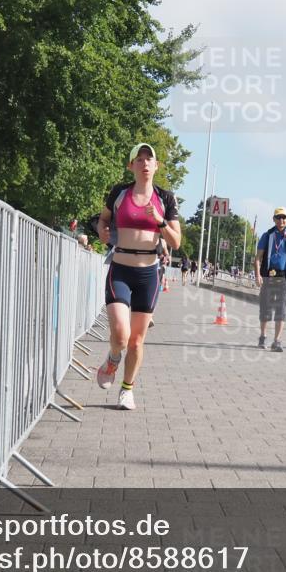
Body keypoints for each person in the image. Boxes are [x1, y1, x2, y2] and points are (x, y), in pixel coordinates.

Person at [95, 143, 181, 410]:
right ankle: (113, 357)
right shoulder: (120, 193)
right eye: (139, 159)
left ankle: (127, 389)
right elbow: (103, 220)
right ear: (131, 165)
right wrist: (102, 231)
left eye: (149, 159)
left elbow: (176, 242)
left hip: (148, 274)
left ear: (156, 166)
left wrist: (160, 221)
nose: (144, 164)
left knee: (135, 341)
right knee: (121, 336)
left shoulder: (165, 199)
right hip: (120, 269)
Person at [254, 207, 286, 352]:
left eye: (284, 217)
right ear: (273, 219)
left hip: (285, 278)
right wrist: (258, 275)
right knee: (266, 308)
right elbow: (258, 258)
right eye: (278, 217)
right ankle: (263, 337)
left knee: (282, 310)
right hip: (268, 277)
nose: (281, 220)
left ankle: (277, 341)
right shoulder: (267, 236)